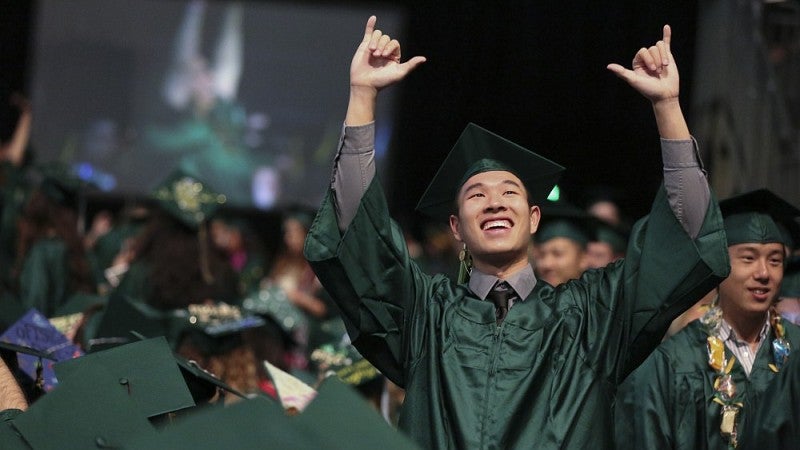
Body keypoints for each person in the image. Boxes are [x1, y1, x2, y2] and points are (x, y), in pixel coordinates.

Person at [303, 17, 729, 448]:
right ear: (456, 229)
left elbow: (684, 232)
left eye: (510, 192)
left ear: (534, 218)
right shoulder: (425, 317)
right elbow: (358, 230)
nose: (494, 202)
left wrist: (667, 107)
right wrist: (362, 97)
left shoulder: (592, 316)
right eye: (475, 195)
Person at [615, 189, 800, 449]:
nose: (763, 273)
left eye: (775, 260)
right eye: (748, 258)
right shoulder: (674, 361)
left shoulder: (797, 348)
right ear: (720, 262)